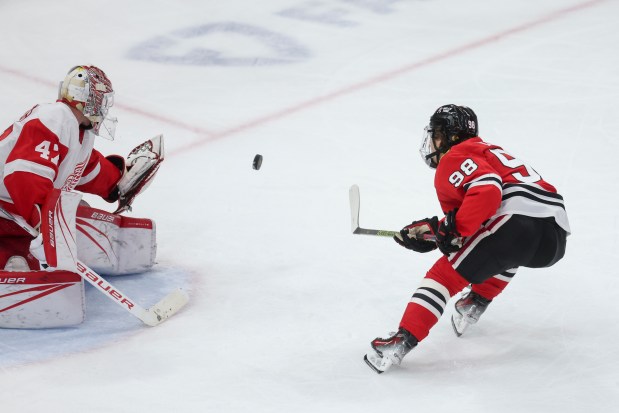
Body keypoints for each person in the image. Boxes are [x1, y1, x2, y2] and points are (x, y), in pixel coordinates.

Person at [364, 104, 570, 374]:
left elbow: (486, 191)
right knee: (503, 250)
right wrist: (434, 230)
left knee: (443, 275)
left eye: (437, 134)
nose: (433, 141)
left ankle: (401, 341)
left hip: (516, 222)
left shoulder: (455, 156)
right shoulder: (485, 151)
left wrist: (454, 230)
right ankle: (475, 302)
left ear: (451, 137)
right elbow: (483, 215)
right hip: (553, 235)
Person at [0, 65, 163, 328]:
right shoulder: (54, 117)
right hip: (7, 212)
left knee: (74, 209)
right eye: (101, 99)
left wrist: (118, 181)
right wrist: (41, 220)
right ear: (86, 98)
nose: (104, 107)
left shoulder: (78, 131)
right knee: (17, 261)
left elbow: (85, 169)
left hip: (15, 211)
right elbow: (23, 173)